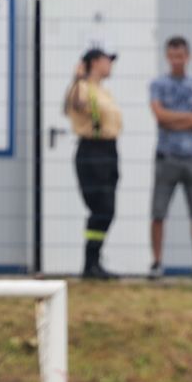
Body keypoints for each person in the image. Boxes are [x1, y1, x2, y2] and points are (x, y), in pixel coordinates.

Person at [148, 35, 192, 279]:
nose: (177, 60)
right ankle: (156, 263)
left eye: (181, 56)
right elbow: (159, 116)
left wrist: (172, 118)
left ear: (188, 56)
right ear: (167, 56)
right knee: (158, 213)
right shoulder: (158, 84)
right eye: (173, 56)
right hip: (166, 157)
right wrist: (189, 118)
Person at [65, 47, 122, 280]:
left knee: (106, 209)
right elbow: (75, 105)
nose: (110, 65)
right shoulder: (82, 88)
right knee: (101, 208)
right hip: (92, 150)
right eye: (107, 60)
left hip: (108, 150)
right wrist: (78, 76)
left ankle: (94, 261)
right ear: (95, 62)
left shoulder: (102, 90)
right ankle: (90, 262)